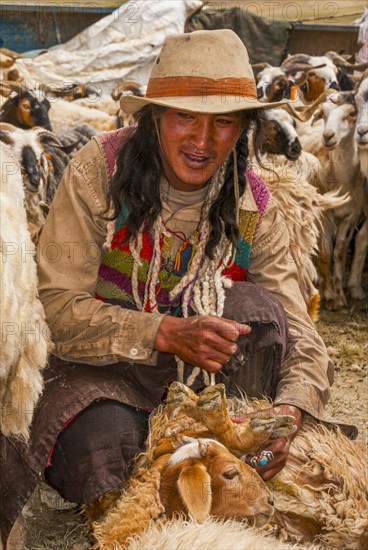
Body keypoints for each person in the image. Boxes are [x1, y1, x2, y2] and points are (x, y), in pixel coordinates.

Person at [0, 29, 356, 545]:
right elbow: (55, 308)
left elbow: (298, 328)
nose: (202, 140)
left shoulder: (253, 201)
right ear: (155, 118)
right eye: (185, 116)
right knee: (103, 451)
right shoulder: (98, 172)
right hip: (101, 369)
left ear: (243, 130)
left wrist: (291, 411)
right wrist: (163, 331)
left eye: (223, 123)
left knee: (259, 311)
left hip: (215, 388)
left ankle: (215, 462)